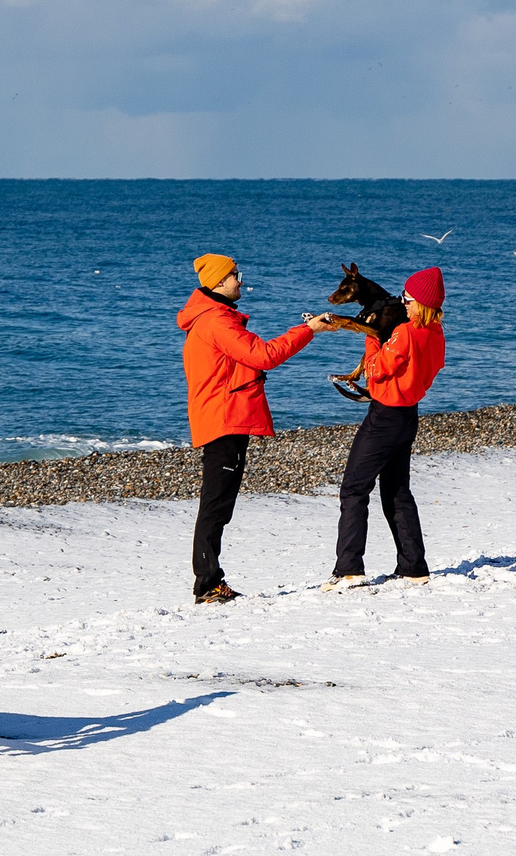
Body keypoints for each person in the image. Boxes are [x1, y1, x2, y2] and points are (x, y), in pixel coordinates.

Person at [179, 252, 316, 604]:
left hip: (225, 416)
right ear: (219, 282)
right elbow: (265, 355)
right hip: (223, 418)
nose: (241, 279)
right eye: (236, 274)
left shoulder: (214, 318)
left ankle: (210, 582)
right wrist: (309, 329)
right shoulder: (217, 322)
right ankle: (207, 585)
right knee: (215, 505)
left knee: (219, 504)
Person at [314, 266, 446, 590]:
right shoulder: (436, 334)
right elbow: (428, 370)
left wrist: (372, 338)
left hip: (385, 415)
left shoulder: (404, 332)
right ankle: (413, 567)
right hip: (408, 415)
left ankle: (349, 568)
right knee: (397, 490)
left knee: (354, 487)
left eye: (409, 299)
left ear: (422, 303)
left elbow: (375, 370)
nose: (404, 304)